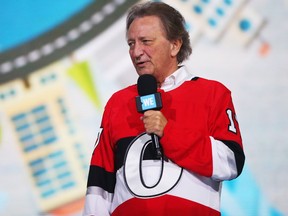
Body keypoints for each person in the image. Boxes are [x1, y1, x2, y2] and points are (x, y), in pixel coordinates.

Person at [83, 1, 245, 216]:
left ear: (175, 45)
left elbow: (230, 163)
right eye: (131, 44)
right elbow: (99, 184)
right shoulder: (118, 102)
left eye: (145, 41)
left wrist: (169, 133)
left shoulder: (212, 93)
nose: (136, 52)